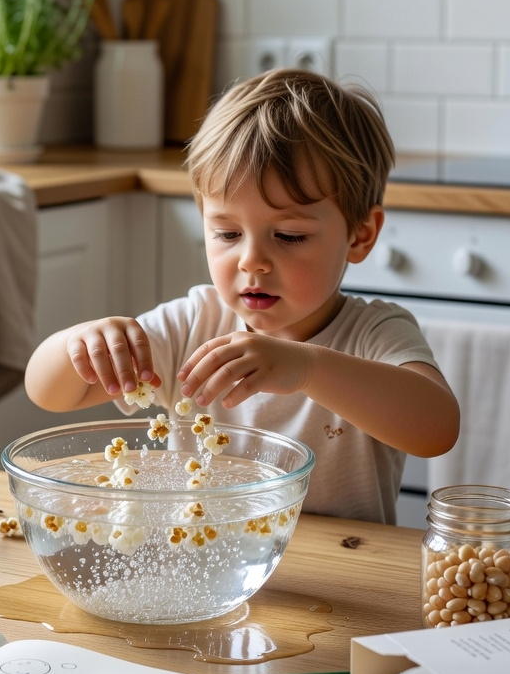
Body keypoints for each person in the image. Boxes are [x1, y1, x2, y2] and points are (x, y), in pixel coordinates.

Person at [25, 69, 460, 523]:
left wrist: (306, 367)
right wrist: (82, 341)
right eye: (228, 232)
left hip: (345, 576)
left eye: (289, 236)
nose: (252, 260)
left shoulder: (374, 333)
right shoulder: (193, 325)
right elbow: (48, 393)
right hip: (207, 572)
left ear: (359, 235)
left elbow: (437, 429)